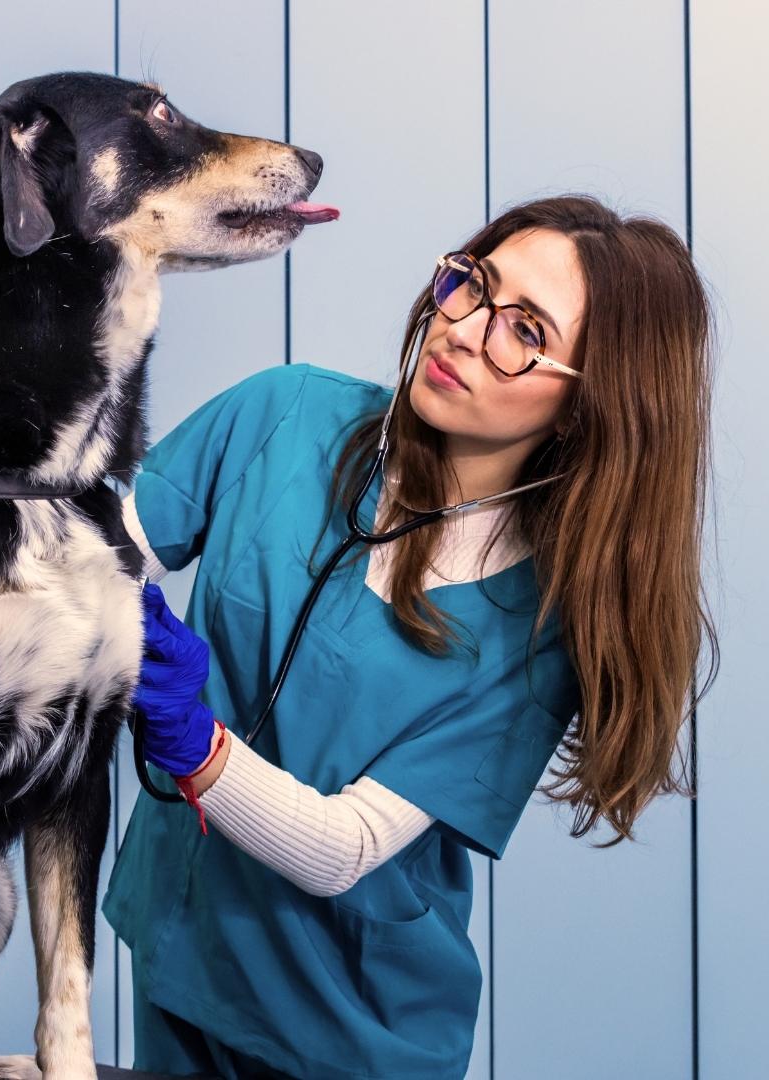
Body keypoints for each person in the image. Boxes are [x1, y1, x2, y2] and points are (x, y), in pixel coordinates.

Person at [101, 195, 718, 1080]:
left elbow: (341, 847)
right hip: (178, 951)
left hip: (352, 1031)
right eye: (472, 285)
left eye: (524, 330)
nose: (463, 329)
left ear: (592, 405)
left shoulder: (539, 631)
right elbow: (86, 556)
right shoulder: (282, 416)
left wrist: (190, 741)